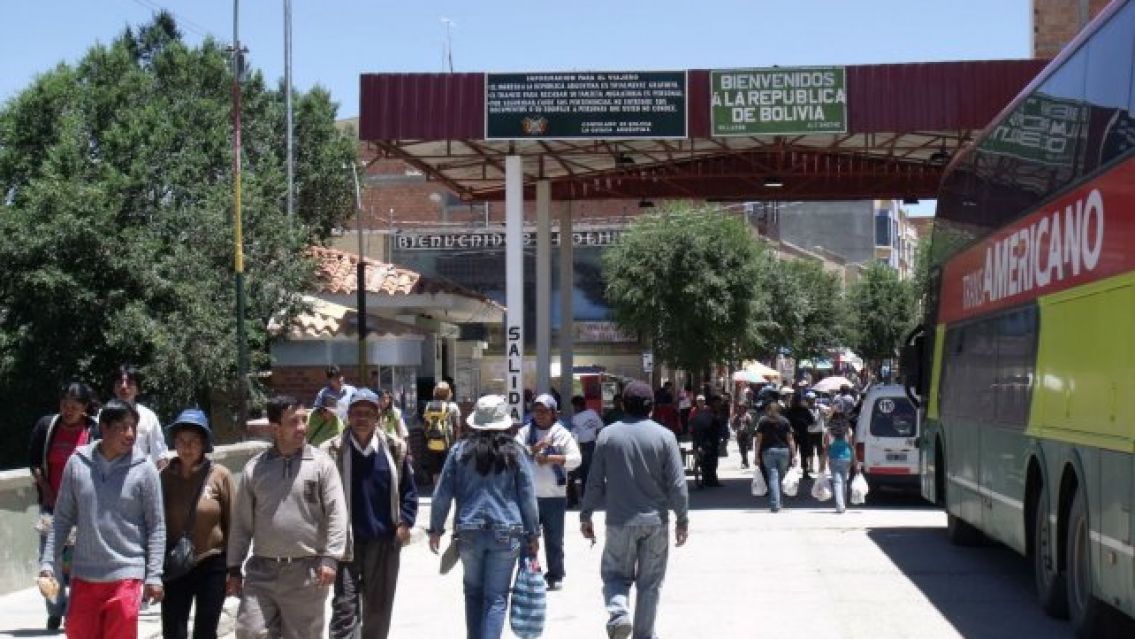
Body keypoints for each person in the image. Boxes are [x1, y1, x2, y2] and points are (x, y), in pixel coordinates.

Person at [39, 399, 165, 638]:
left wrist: (154, 574)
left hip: (127, 576)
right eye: (123, 427)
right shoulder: (77, 464)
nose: (130, 434)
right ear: (104, 428)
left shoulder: (145, 469)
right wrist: (47, 563)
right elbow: (62, 518)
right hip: (84, 576)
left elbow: (156, 526)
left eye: (133, 428)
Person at [226, 395, 348, 639]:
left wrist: (331, 558)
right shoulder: (255, 469)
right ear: (275, 428)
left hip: (306, 573)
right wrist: (233, 567)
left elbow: (337, 512)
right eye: (294, 422)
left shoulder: (322, 465)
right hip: (262, 571)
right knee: (250, 632)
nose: (302, 427)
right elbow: (241, 524)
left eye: (304, 420)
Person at [581, 381, 689, 639]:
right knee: (650, 584)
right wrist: (682, 518)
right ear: (651, 406)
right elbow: (677, 483)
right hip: (656, 522)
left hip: (619, 520)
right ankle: (644, 635)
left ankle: (619, 614)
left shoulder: (607, 435)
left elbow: (594, 480)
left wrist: (586, 514)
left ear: (622, 404)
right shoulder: (665, 436)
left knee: (615, 575)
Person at [428, 394, 540, 639]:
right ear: (504, 422)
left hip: (469, 531)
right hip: (507, 532)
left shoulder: (459, 450)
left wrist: (435, 529)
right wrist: (533, 533)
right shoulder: (516, 451)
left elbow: (442, 492)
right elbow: (527, 495)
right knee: (496, 597)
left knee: (473, 593)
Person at [327, 389, 418, 639]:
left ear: (378, 416)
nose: (362, 418)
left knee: (378, 608)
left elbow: (408, 491)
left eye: (368, 413)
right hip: (346, 544)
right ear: (348, 416)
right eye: (357, 413)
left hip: (384, 542)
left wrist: (405, 522)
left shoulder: (394, 448)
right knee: (344, 608)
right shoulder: (332, 451)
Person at [27, 382, 99, 631]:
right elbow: (35, 462)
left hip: (84, 508)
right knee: (50, 558)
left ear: (85, 408)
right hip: (51, 505)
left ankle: (75, 611)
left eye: (74, 406)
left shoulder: (94, 430)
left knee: (80, 561)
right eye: (64, 405)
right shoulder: (47, 426)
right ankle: (56, 608)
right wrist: (46, 489)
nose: (68, 410)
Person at [160, 409, 236, 639]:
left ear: (204, 443)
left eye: (194, 441)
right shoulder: (163, 477)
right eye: (181, 441)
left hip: (211, 564)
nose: (187, 447)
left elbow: (235, 524)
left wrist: (234, 570)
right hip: (174, 563)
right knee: (173, 630)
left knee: (205, 631)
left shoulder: (220, 476)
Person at [517, 393, 581, 590]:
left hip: (555, 496)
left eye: (544, 411)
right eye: (536, 411)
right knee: (528, 538)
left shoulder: (562, 433)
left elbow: (576, 459)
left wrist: (553, 459)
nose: (540, 415)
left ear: (554, 413)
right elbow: (514, 454)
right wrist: (532, 450)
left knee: (554, 540)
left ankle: (555, 575)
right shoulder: (525, 432)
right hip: (530, 497)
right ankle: (528, 574)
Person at [113, 364, 168, 469]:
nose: (124, 386)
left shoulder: (149, 417)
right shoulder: (102, 416)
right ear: (114, 388)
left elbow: (160, 456)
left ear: (138, 389)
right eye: (120, 382)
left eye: (129, 383)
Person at [754, 399, 797, 513]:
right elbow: (790, 439)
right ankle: (779, 502)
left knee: (773, 477)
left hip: (768, 452)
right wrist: (794, 455)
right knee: (780, 478)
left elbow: (758, 440)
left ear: (768, 410)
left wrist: (756, 456)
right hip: (784, 452)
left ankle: (775, 504)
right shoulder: (785, 421)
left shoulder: (763, 422)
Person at [422, 381, 462, 483]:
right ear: (449, 393)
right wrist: (457, 442)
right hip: (448, 441)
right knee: (447, 466)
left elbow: (426, 424)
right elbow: (457, 426)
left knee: (435, 468)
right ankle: (446, 489)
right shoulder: (453, 407)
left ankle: (436, 488)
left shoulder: (429, 405)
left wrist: (427, 437)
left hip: (432, 441)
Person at [569, 395, 603, 502]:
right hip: (593, 444)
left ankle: (585, 494)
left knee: (584, 472)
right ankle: (591, 493)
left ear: (578, 406)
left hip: (583, 446)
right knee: (591, 471)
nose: (574, 409)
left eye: (574, 406)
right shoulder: (592, 413)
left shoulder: (576, 418)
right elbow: (600, 427)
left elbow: (573, 435)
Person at [825, 401, 856, 514]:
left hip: (834, 458)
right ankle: (843, 504)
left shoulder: (829, 431)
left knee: (837, 482)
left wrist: (823, 461)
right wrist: (855, 461)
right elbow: (851, 446)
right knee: (844, 481)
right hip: (847, 457)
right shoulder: (848, 431)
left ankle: (840, 505)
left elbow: (826, 447)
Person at [689, 395, 727, 487]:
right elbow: (700, 425)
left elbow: (720, 425)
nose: (718, 404)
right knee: (707, 460)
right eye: (717, 402)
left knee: (713, 460)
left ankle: (712, 479)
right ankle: (707, 480)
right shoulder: (705, 412)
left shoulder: (712, 411)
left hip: (714, 439)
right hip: (706, 439)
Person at [784, 393, 816, 478]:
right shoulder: (804, 410)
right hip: (802, 434)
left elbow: (786, 422)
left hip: (795, 434)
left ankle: (791, 470)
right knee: (803, 453)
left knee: (794, 452)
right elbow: (812, 421)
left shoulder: (790, 410)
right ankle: (804, 471)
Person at [805, 391, 827, 474]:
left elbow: (828, 414)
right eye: (810, 399)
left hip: (819, 432)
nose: (811, 401)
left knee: (820, 451)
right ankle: (811, 467)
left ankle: (820, 467)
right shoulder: (805, 409)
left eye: (812, 399)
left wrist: (824, 413)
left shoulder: (820, 407)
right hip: (809, 432)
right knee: (810, 450)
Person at [733, 399, 756, 469]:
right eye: (740, 407)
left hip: (746, 434)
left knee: (745, 448)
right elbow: (733, 424)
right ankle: (744, 461)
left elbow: (751, 425)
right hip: (739, 434)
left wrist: (750, 433)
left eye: (743, 407)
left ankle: (745, 461)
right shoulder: (737, 416)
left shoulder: (747, 415)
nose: (741, 409)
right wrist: (736, 428)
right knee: (741, 448)